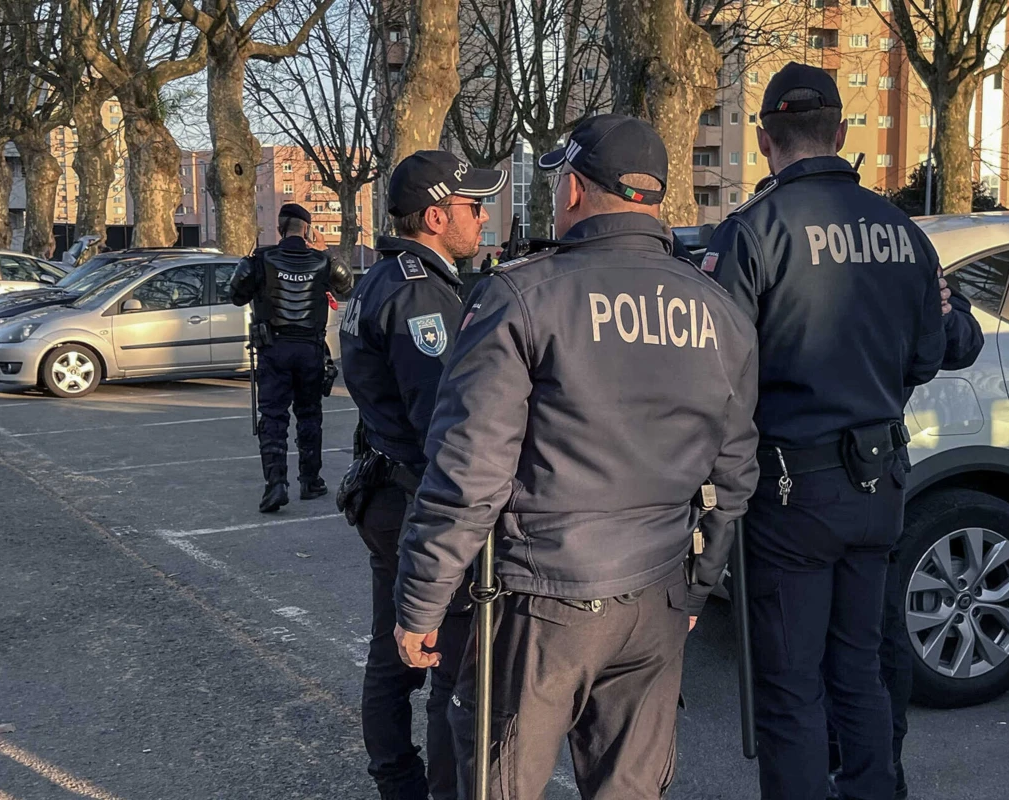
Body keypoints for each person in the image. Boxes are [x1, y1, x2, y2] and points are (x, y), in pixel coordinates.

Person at [391, 114, 761, 798]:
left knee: (498, 784)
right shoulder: (719, 311)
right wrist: (697, 587)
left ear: (572, 193)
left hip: (541, 605)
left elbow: (469, 475)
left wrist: (421, 602)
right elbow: (733, 476)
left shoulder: (522, 295)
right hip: (655, 599)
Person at [704, 62, 946, 800]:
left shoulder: (752, 232)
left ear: (764, 137)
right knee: (861, 670)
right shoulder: (904, 232)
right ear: (841, 132)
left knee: (790, 688)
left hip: (791, 490)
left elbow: (716, 374)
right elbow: (930, 356)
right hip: (881, 482)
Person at [337, 150, 507, 800]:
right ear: (437, 216)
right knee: (447, 665)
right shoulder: (420, 294)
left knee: (396, 649)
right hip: (417, 501)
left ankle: (399, 781)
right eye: (473, 206)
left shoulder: (383, 278)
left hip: (388, 489)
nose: (483, 216)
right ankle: (430, 788)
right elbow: (450, 428)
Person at [828, 277, 984, 800]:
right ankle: (864, 769)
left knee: (872, 633)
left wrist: (939, 310)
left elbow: (960, 340)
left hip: (862, 465)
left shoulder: (906, 249)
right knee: (859, 635)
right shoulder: (899, 243)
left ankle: (874, 771)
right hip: (852, 466)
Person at [230, 202, 352, 512]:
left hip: (274, 348)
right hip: (310, 349)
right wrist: (328, 252)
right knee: (310, 415)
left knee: (273, 417)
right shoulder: (322, 261)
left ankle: (276, 485)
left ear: (280, 229)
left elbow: (235, 295)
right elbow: (347, 286)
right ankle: (310, 481)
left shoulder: (260, 260)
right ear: (308, 229)